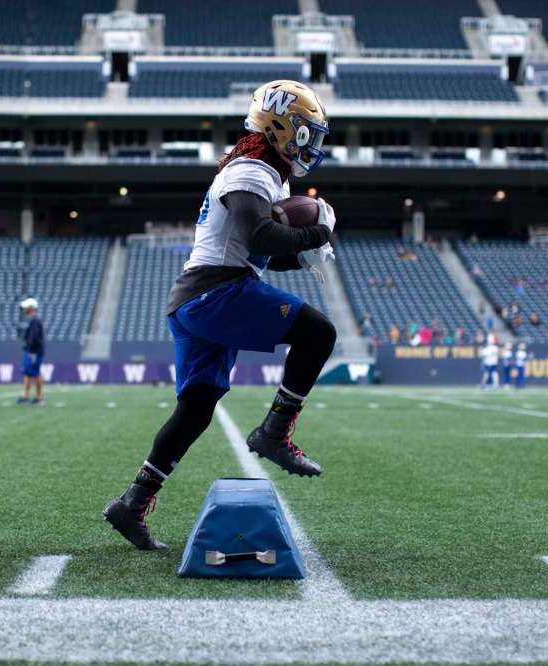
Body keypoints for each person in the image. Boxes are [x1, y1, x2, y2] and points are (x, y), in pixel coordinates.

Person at [103, 80, 335, 551]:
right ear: (280, 126)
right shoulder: (251, 169)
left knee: (196, 409)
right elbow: (262, 238)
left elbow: (260, 247)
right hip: (217, 293)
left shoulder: (259, 169)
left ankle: (132, 502)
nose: (312, 143)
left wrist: (304, 252)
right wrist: (320, 232)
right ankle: (274, 430)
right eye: (306, 132)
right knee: (318, 332)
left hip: (200, 296)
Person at [17, 298, 45, 404]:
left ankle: (39, 397)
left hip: (33, 351)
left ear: (31, 308)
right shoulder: (33, 320)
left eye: (26, 307)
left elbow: (34, 338)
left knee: (35, 373)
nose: (25, 310)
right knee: (28, 373)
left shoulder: (35, 320)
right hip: (32, 351)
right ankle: (26, 396)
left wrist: (32, 351)